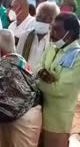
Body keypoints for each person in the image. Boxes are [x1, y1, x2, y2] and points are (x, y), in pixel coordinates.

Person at [37, 12, 80, 147]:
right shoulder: (53, 46)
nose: (52, 32)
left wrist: (37, 82)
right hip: (39, 114)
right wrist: (41, 72)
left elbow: (60, 89)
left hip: (57, 121)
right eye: (52, 28)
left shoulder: (77, 57)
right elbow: (38, 65)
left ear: (70, 33)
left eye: (57, 29)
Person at [16, 2, 59, 73]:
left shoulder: (54, 42)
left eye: (44, 18)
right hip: (24, 78)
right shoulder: (26, 35)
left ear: (53, 21)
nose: (40, 20)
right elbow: (17, 59)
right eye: (38, 17)